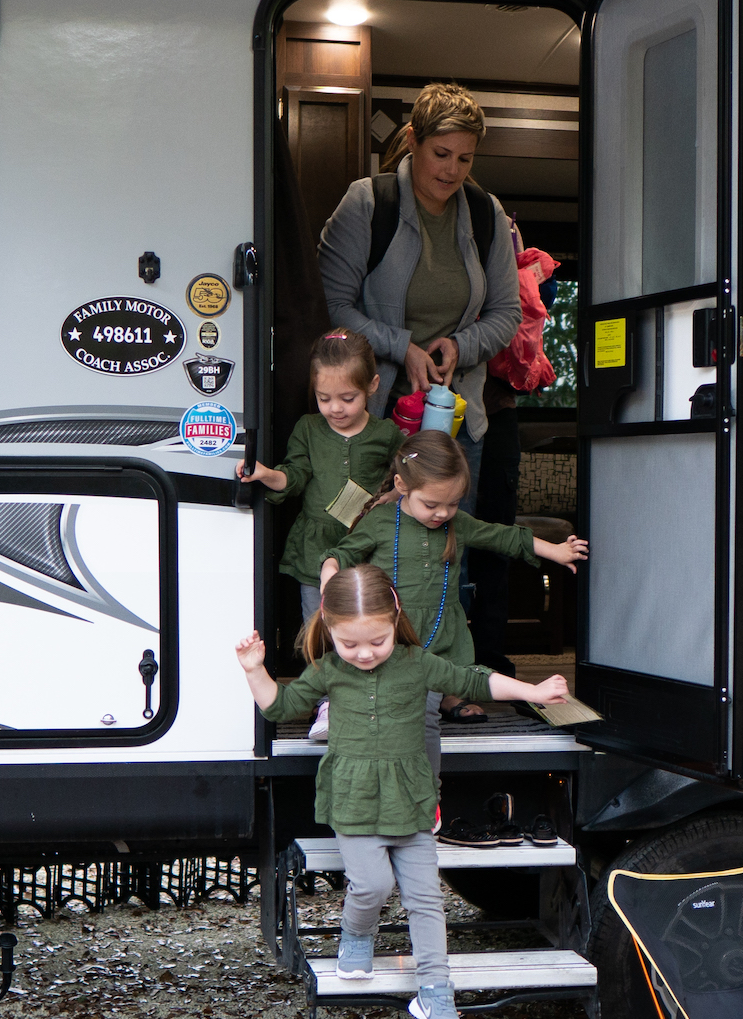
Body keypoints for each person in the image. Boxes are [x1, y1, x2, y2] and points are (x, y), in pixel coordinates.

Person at [236, 565, 569, 1019]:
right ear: (329, 628)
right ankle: (355, 934)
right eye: (350, 644)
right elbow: (280, 708)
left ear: (395, 616)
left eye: (377, 640)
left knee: (427, 900)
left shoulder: (418, 663)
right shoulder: (329, 669)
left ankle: (436, 991)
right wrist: (254, 670)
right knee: (371, 886)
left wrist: (532, 692)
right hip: (354, 800)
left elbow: (475, 681)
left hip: (411, 800)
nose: (365, 653)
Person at [317, 82, 522, 479]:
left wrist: (461, 347)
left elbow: (507, 313)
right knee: (367, 537)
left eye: (465, 159)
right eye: (441, 154)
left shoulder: (486, 213)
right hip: (367, 420)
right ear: (413, 140)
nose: (452, 171)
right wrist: (403, 348)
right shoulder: (368, 203)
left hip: (454, 427)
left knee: (445, 539)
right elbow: (332, 307)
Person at [324, 431, 585, 737]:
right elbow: (341, 553)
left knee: (444, 681)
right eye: (432, 504)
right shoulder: (380, 521)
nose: (443, 513)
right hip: (395, 626)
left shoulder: (457, 523)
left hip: (442, 626)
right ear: (402, 486)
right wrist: (330, 577)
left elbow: (504, 536)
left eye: (453, 503)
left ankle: (446, 699)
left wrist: (555, 550)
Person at [236, 331, 402, 622]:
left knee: (367, 617)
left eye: (348, 398)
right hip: (316, 546)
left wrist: (394, 495)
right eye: (323, 398)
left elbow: (410, 473)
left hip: (368, 541)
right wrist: (265, 474)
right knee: (317, 621)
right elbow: (296, 476)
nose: (335, 408)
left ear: (372, 386)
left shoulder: (386, 434)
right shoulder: (309, 429)